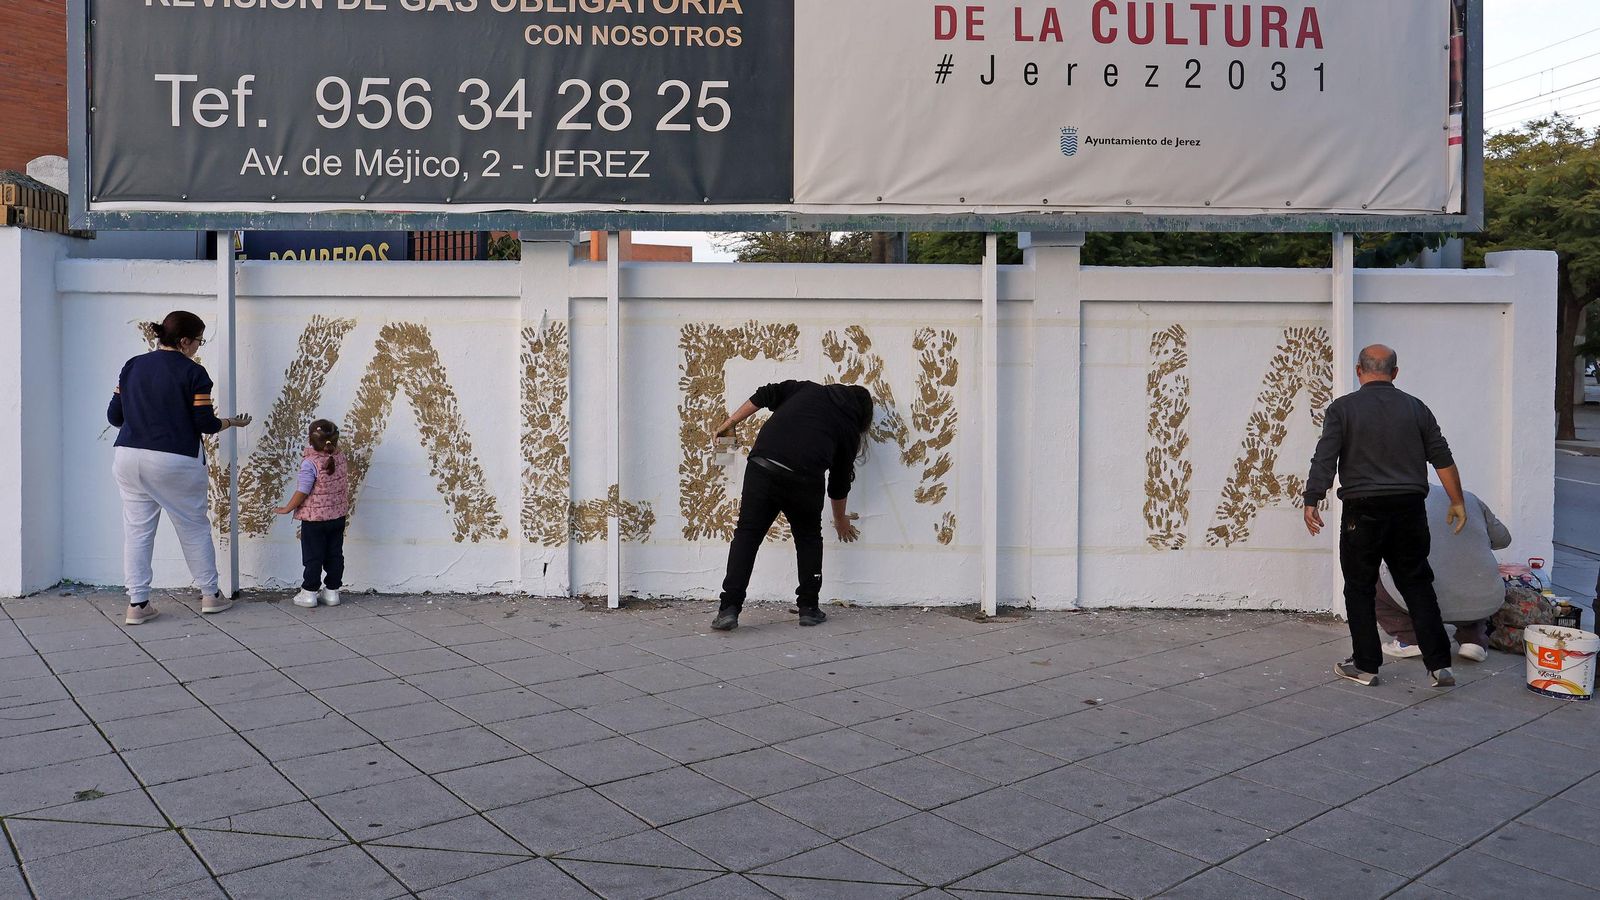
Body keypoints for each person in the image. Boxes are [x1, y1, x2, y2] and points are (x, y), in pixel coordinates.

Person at [1303, 344, 1466, 689]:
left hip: (1362, 510)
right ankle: (1439, 666)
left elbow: (1325, 458)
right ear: (1395, 372)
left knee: (1360, 587)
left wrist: (1312, 498)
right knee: (1417, 582)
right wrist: (1457, 502)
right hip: (1409, 507)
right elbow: (1442, 458)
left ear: (1358, 371)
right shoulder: (1416, 408)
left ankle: (1365, 666)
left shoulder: (1343, 409)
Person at [107, 311, 252, 626]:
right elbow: (205, 423)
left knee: (137, 531)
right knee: (193, 526)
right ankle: (211, 595)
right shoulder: (194, 373)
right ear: (185, 341)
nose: (199, 346)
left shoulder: (131, 366)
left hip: (128, 456)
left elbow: (115, 417)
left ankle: (138, 603)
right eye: (199, 341)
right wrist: (232, 422)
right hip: (175, 460)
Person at [709, 381, 873, 631]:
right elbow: (839, 484)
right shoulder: (849, 428)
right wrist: (840, 520)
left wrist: (732, 422)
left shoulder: (807, 389)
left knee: (747, 536)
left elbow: (764, 394)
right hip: (805, 480)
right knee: (808, 539)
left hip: (763, 467)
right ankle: (808, 608)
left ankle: (728, 609)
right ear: (862, 415)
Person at [1376, 485, 1511, 663]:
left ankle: (1410, 639)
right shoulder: (1468, 498)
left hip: (1426, 597)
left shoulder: (1397, 498)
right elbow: (1503, 539)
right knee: (1472, 573)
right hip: (1485, 600)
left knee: (1367, 577)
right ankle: (1474, 639)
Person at [274, 420, 350, 609]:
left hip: (314, 520)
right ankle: (332, 592)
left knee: (313, 556)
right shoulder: (339, 457)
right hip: (337, 517)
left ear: (310, 439)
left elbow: (303, 490)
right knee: (334, 554)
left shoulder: (310, 463)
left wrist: (288, 508)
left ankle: (309, 592)